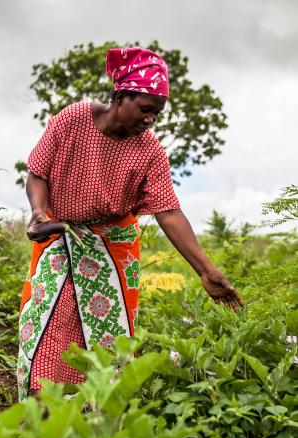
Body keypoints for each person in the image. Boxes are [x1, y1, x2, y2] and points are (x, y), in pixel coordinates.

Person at [17, 47, 243, 401]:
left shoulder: (149, 151)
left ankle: (96, 412)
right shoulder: (73, 120)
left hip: (112, 244)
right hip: (59, 234)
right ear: (121, 96)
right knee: (49, 320)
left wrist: (204, 269)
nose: (151, 119)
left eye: (157, 114)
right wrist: (39, 212)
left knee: (105, 332)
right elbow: (38, 172)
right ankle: (41, 407)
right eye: (145, 109)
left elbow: (168, 211)